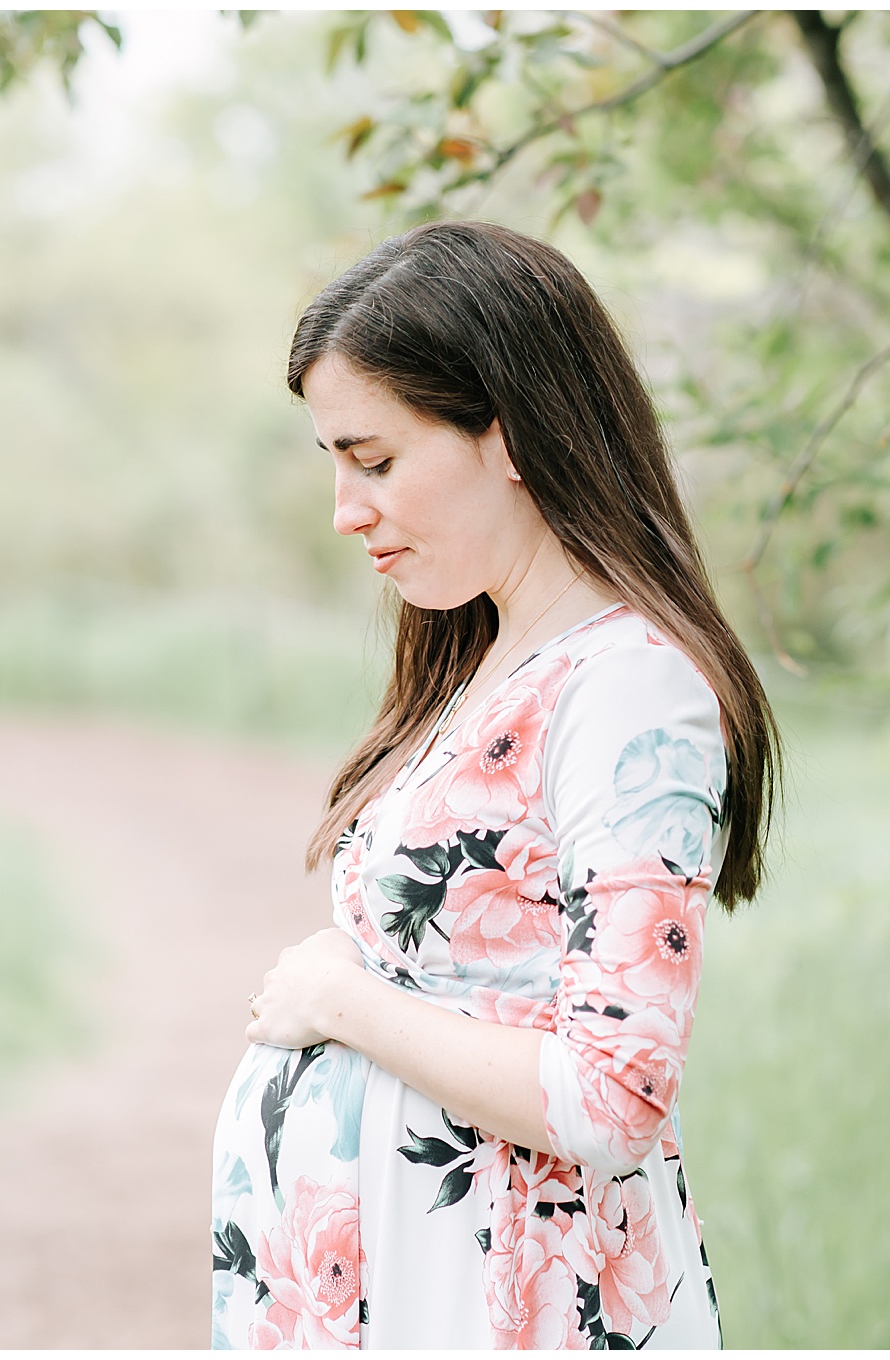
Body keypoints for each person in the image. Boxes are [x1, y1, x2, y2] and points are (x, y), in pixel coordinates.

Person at [210, 220, 779, 1350]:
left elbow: (613, 1095)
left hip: (503, 1307)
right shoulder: (485, 663)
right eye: (332, 462)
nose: (345, 508)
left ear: (509, 431)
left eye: (374, 461)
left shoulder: (630, 691)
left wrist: (343, 1002)